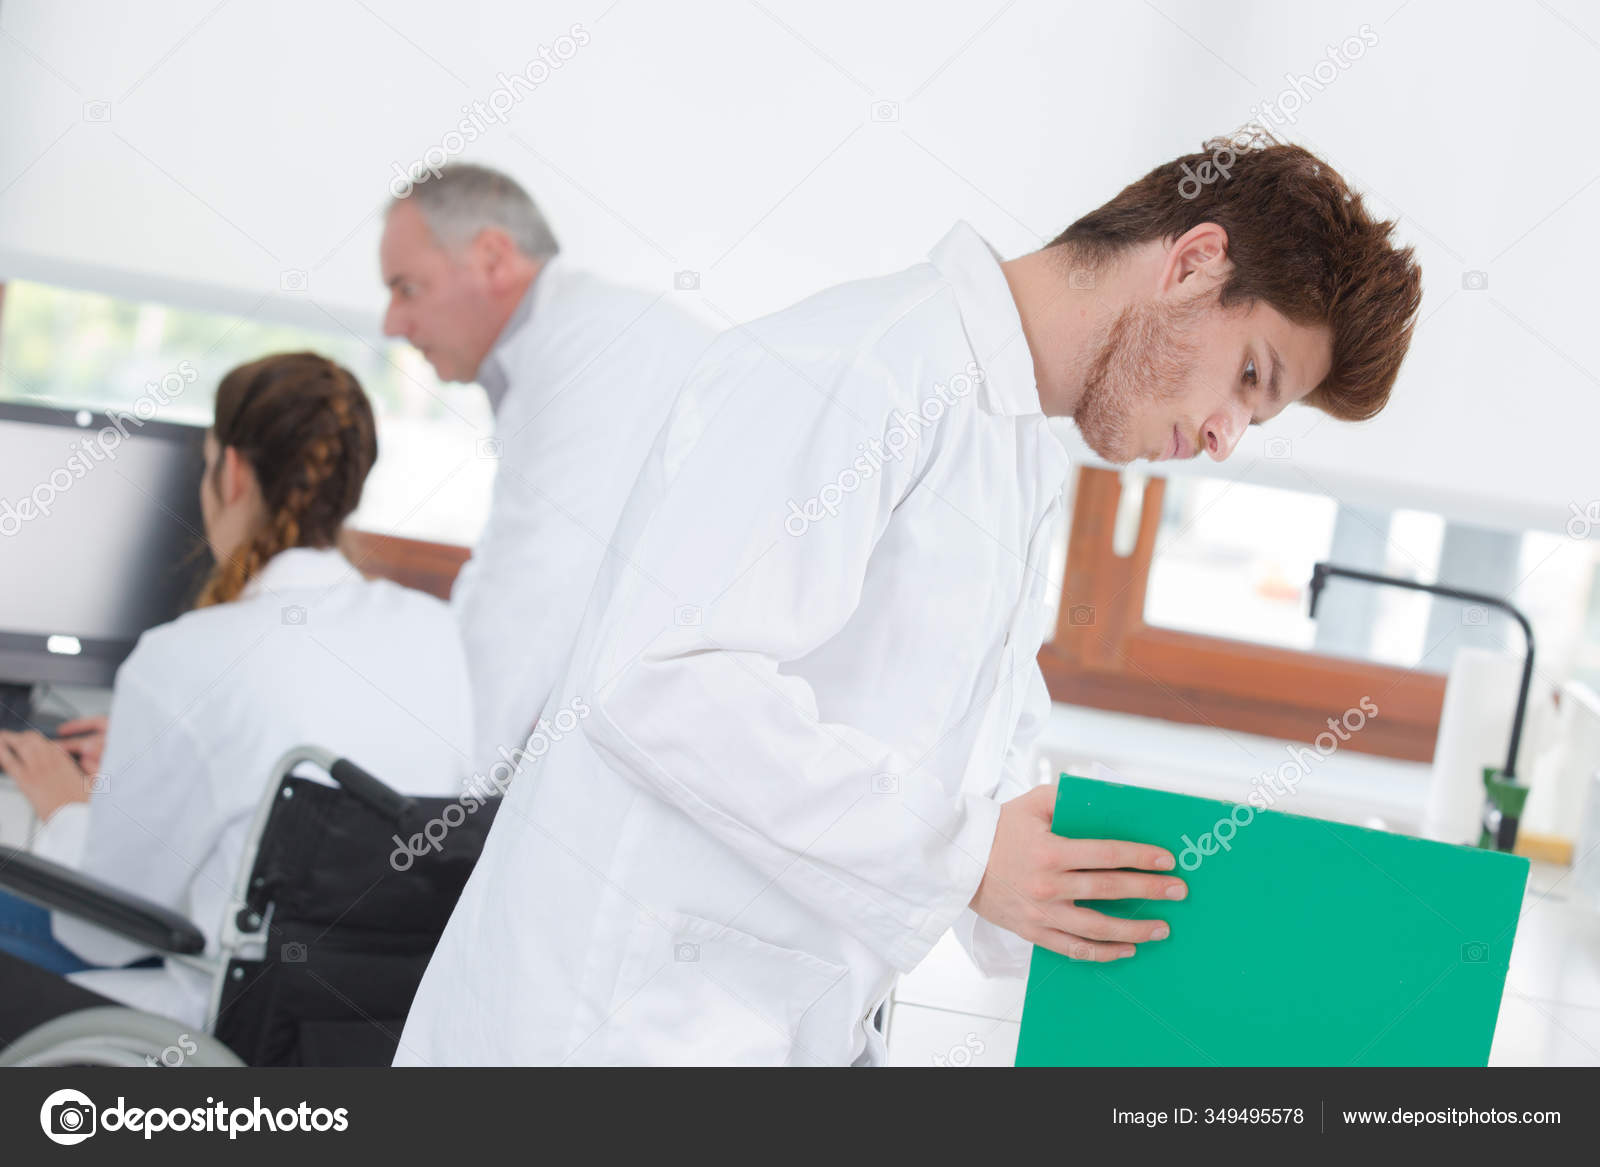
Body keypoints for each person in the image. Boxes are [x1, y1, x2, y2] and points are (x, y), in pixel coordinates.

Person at [395, 135, 1423, 1066]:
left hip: (769, 1026)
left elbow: (982, 789)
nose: (1224, 438)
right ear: (1193, 262)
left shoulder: (1018, 453)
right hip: (602, 1031)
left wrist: (1196, 934)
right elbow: (658, 682)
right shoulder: (860, 362)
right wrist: (968, 858)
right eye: (1250, 375)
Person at [0, 352, 474, 1028]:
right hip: (359, 1028)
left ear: (233, 472)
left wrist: (67, 807)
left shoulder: (186, 657)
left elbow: (100, 932)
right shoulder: (436, 631)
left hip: (210, 1024)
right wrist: (157, 753)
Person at [380, 164, 716, 777]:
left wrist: (445, 803)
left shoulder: (595, 345)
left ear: (492, 259)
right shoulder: (573, 338)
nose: (391, 324)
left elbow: (531, 587)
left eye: (407, 289)